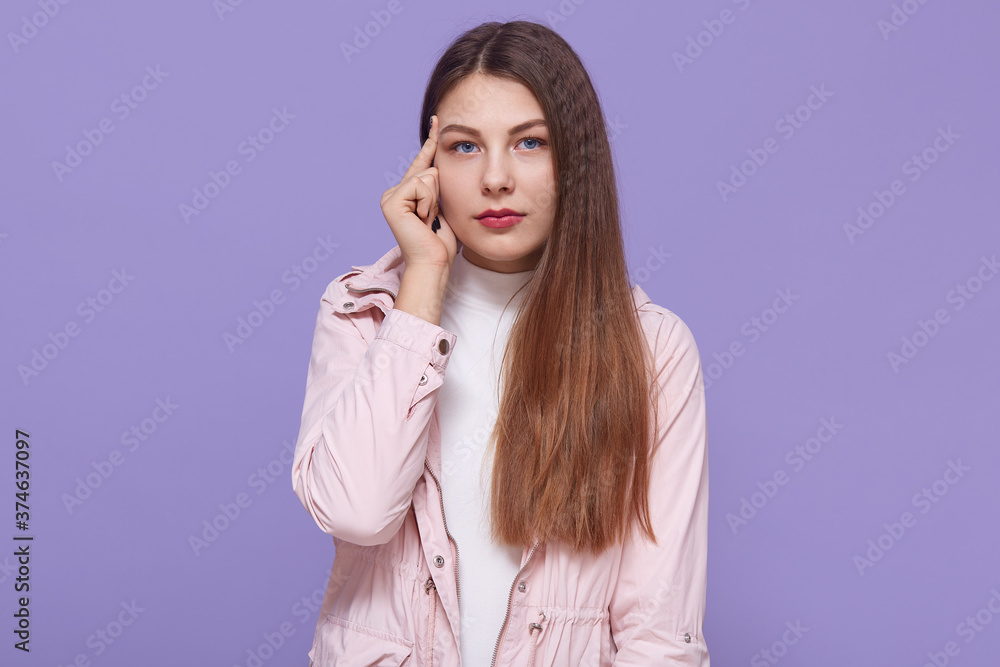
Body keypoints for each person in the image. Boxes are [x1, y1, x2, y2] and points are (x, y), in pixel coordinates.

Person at [291, 19, 710, 667]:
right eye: (463, 147)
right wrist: (423, 280)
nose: (494, 178)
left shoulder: (652, 351)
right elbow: (358, 511)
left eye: (529, 143)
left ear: (575, 159)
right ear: (426, 165)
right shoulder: (362, 313)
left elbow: (659, 634)